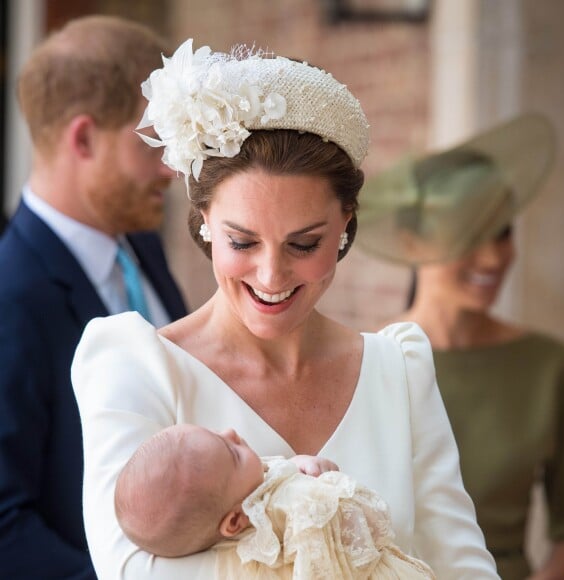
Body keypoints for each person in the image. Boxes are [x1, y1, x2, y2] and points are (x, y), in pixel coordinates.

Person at [71, 38, 500, 579]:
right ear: (204, 220)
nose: (271, 277)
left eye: (304, 244)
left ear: (346, 226)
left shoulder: (399, 371)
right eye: (242, 242)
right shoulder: (132, 365)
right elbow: (132, 571)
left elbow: (463, 567)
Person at [0, 15, 188, 579]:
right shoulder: (11, 297)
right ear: (82, 138)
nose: (171, 168)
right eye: (152, 140)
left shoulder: (145, 250)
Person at [356, 113, 564, 579]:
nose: (493, 257)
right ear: (409, 241)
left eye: (501, 233)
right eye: (469, 235)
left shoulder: (549, 367)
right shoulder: (368, 362)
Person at [115, 423, 436, 579]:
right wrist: (326, 489)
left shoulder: (249, 492)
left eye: (217, 433)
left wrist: (301, 468)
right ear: (235, 521)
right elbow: (362, 527)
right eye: (232, 452)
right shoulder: (285, 520)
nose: (232, 433)